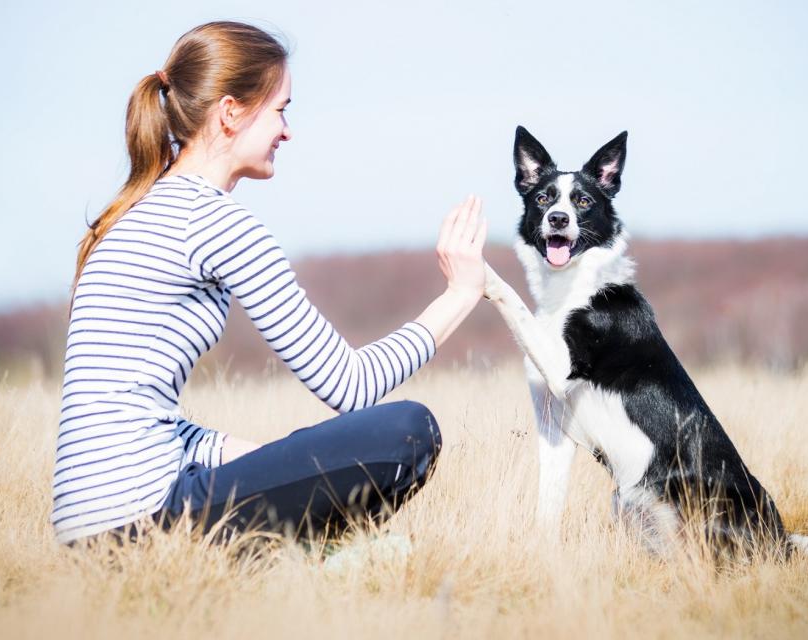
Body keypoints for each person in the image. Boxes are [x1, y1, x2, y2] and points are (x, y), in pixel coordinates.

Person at [53, 21, 487, 546]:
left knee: (296, 458)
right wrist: (460, 294)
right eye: (281, 108)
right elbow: (351, 386)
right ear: (231, 111)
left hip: (87, 529)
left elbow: (143, 419)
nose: (287, 130)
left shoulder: (135, 212)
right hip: (144, 515)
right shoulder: (213, 220)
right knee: (408, 431)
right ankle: (324, 557)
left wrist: (274, 463)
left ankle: (307, 559)